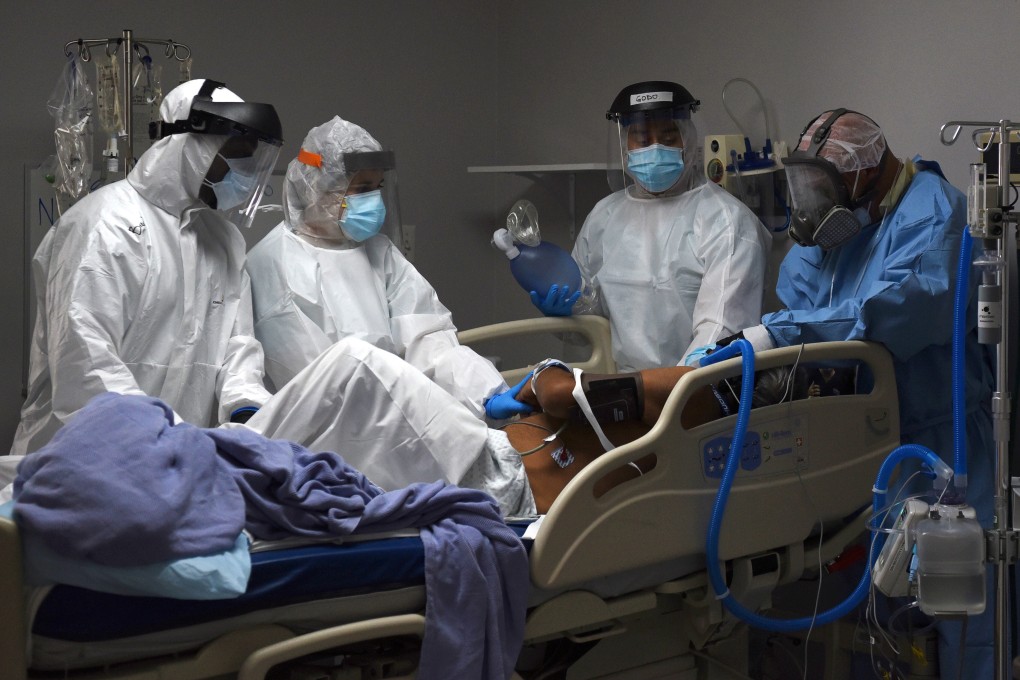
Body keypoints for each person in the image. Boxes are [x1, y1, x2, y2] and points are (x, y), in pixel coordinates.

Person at [695, 109, 996, 678]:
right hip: (853, 449)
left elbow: (901, 314)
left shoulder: (933, 211)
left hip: (939, 449)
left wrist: (781, 335)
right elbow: (801, 301)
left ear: (866, 172)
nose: (807, 205)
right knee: (865, 626)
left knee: (957, 617)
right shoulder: (832, 232)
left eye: (819, 188)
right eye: (801, 187)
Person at [245, 116, 524, 422]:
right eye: (362, 187)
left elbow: (427, 336)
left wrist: (485, 392)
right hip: (321, 436)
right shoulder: (275, 263)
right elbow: (317, 383)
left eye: (377, 187)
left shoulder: (379, 252)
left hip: (393, 417)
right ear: (316, 188)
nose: (374, 200)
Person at [527, 80, 771, 371]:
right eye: (642, 140)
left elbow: (721, 330)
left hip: (691, 391)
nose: (654, 150)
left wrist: (668, 390)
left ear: (688, 140)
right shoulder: (604, 216)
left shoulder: (728, 221)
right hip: (618, 387)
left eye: (668, 138)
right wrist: (570, 311)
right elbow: (592, 320)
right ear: (625, 146)